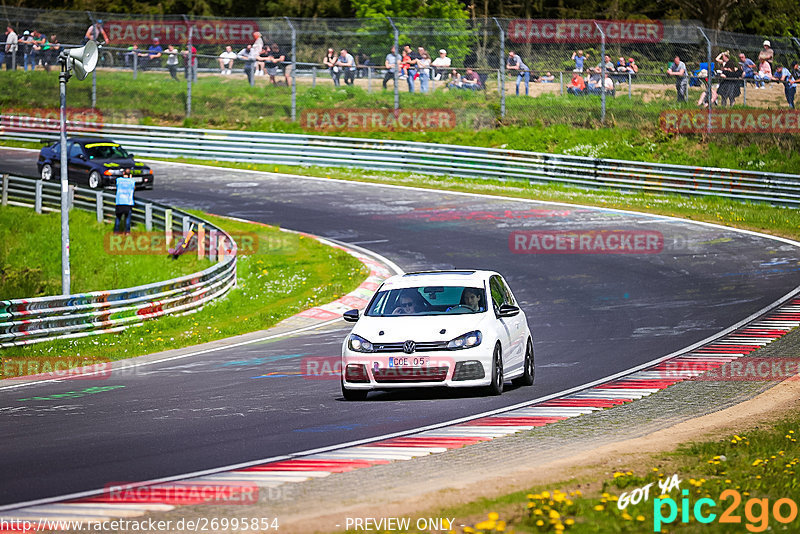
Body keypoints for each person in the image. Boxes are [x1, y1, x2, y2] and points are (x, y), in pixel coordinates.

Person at [114, 169, 135, 234]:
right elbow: (134, 188)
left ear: (123, 173)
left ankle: (116, 232)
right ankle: (127, 232)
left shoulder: (119, 180)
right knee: (128, 219)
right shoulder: (132, 181)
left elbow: (116, 185)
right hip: (128, 203)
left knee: (118, 218)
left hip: (119, 202)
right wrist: (130, 178)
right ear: (129, 175)